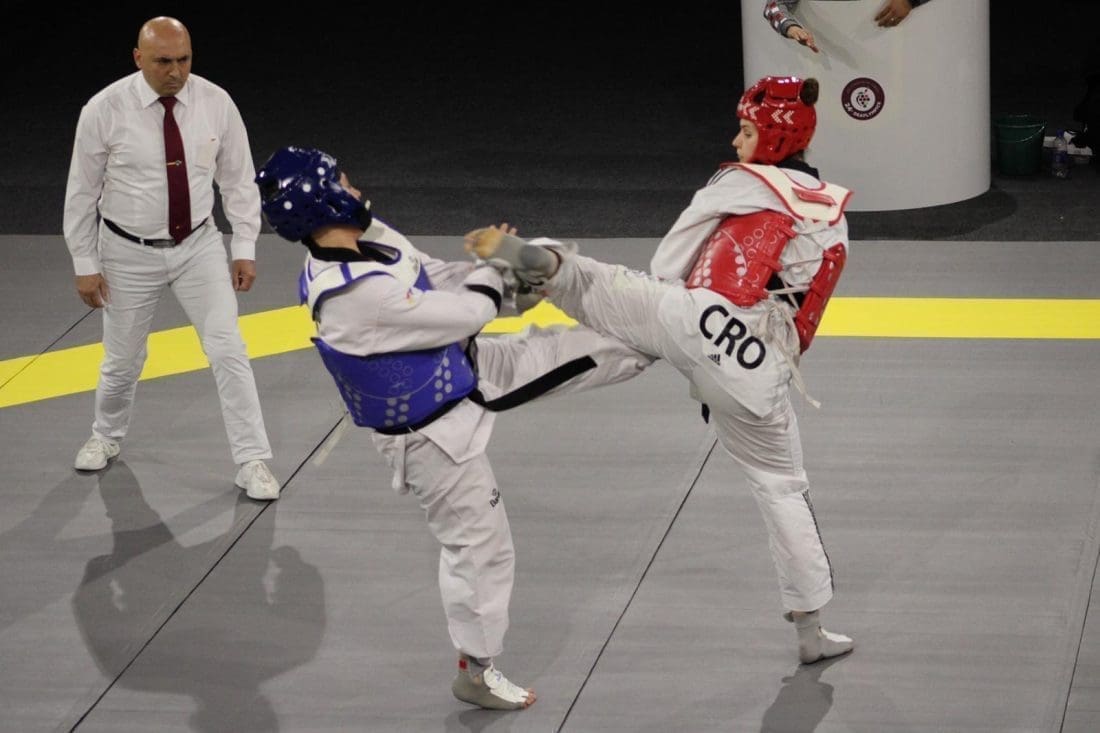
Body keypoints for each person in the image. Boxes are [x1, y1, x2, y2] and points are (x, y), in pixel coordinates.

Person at [466, 75, 855, 665]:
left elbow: (668, 260)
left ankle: (500, 323)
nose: (737, 140)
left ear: (773, 138)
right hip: (759, 370)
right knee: (783, 489)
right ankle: (811, 632)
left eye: (746, 130)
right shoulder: (836, 213)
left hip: (694, 317)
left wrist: (665, 317)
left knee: (595, 289)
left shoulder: (739, 180)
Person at [253, 146, 650, 710]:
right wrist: (493, 274)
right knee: (481, 548)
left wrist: (506, 269)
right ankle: (476, 671)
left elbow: (434, 277)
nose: (355, 186)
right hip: (431, 440)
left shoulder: (375, 239)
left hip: (464, 369)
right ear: (324, 199)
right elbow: (467, 313)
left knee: (610, 343)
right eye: (343, 180)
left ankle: (670, 321)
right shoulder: (355, 294)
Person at [63, 17, 279, 500]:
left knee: (228, 348)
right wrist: (85, 263)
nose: (176, 72)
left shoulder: (216, 102)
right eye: (163, 61)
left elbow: (238, 180)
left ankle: (252, 460)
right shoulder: (103, 109)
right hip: (126, 252)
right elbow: (81, 192)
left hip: (198, 246)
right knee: (122, 360)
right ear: (138, 58)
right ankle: (106, 435)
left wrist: (244, 247)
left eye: (184, 60)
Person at [765, 0, 933, 53]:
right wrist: (791, 28)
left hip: (902, 57)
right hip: (826, 68)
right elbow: (773, 6)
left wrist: (909, 1)